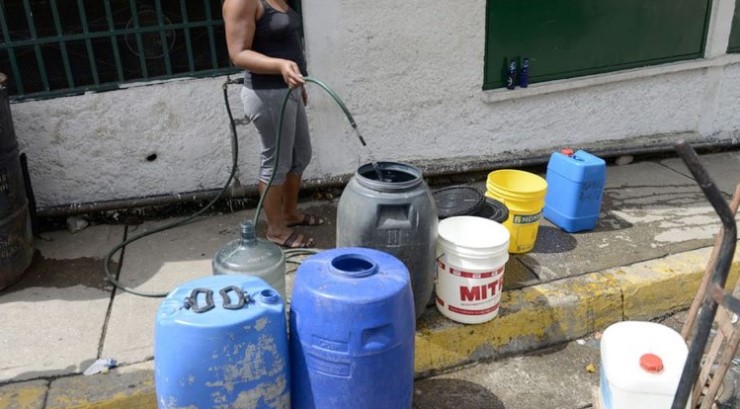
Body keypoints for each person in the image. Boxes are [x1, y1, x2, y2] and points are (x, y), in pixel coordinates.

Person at [223, 0, 323, 249]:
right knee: (277, 162)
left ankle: (289, 214)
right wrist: (280, 66)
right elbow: (238, 54)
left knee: (301, 154)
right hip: (267, 94)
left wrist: (299, 83)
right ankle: (275, 228)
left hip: (289, 90)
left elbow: (286, 42)